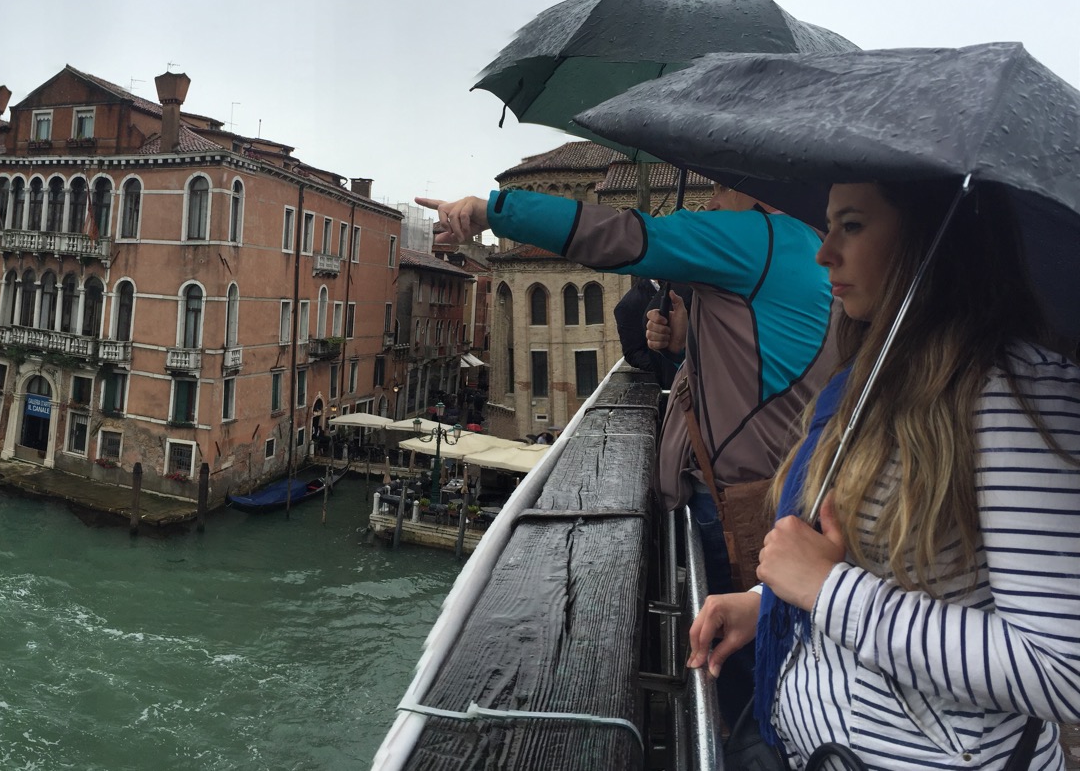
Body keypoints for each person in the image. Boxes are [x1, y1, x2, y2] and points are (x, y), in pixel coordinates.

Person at [684, 181, 1079, 768]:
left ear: (931, 237)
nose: (825, 253)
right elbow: (885, 564)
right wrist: (767, 603)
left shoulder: (1016, 395)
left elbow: (1062, 670)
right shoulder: (875, 371)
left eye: (852, 226)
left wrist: (827, 591)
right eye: (829, 226)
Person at [424, 184, 835, 593]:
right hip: (783, 489)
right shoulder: (807, 244)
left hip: (739, 499)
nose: (711, 202)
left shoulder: (757, 238)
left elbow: (626, 235)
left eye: (725, 188)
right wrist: (681, 350)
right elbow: (761, 372)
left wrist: (492, 211)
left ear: (763, 187)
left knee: (730, 625)